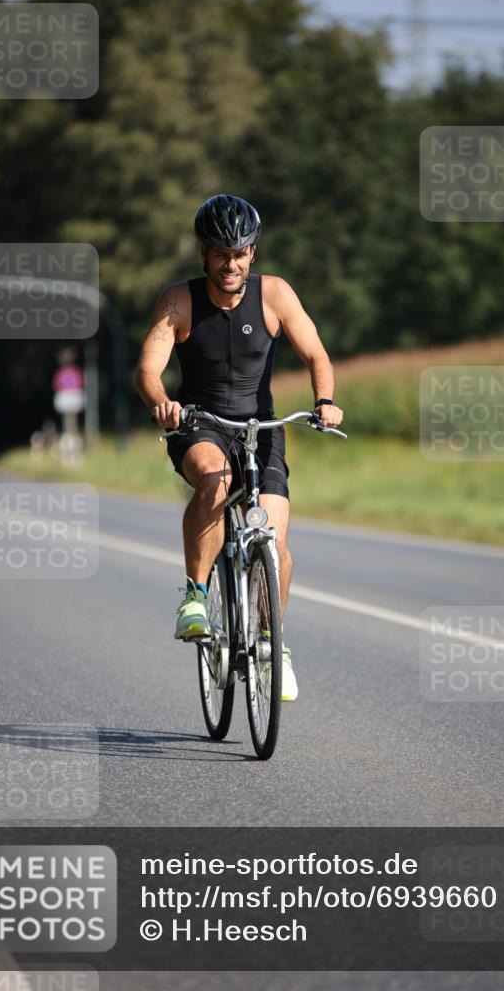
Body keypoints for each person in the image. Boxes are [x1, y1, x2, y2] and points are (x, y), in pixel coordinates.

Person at [134, 194, 343, 701]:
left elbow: (316, 354)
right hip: (199, 423)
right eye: (221, 254)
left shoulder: (275, 294)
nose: (231, 265)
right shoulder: (179, 300)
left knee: (277, 542)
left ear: (253, 252)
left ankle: (272, 645)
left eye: (240, 254)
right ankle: (195, 597)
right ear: (203, 252)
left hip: (262, 427)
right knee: (215, 479)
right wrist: (163, 403)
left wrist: (325, 400)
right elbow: (147, 369)